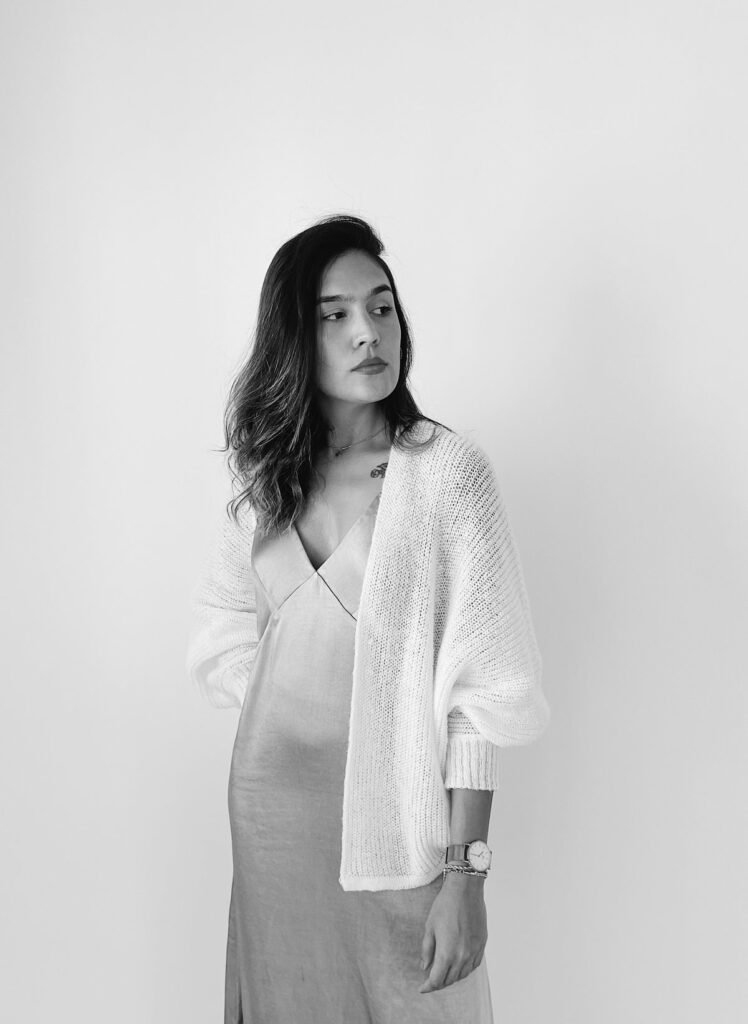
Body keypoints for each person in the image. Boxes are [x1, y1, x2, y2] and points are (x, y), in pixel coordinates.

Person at [185, 213, 550, 1023]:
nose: (366, 332)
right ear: (295, 336)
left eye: (381, 307)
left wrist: (466, 875)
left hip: (400, 836)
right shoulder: (266, 479)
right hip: (274, 823)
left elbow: (481, 698)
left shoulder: (447, 475)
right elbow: (221, 629)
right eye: (336, 314)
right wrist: (298, 703)